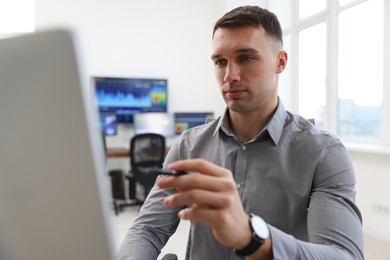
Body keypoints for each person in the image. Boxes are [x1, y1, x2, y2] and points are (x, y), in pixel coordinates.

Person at [117, 5, 364, 260]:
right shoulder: (188, 145)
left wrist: (252, 237)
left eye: (246, 58)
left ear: (280, 62)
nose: (229, 75)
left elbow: (344, 255)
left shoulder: (323, 153)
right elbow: (147, 229)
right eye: (220, 62)